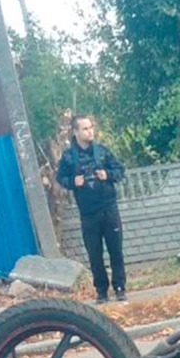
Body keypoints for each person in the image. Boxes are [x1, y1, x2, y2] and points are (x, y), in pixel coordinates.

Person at [56, 116, 127, 304]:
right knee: (94, 254)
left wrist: (108, 174)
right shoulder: (69, 157)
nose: (90, 131)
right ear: (76, 132)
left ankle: (120, 288)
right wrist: (73, 182)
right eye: (85, 128)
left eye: (90, 127)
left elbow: (120, 170)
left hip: (109, 208)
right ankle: (101, 291)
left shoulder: (102, 152)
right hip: (88, 213)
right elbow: (60, 178)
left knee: (116, 250)